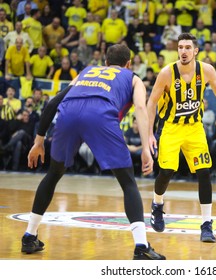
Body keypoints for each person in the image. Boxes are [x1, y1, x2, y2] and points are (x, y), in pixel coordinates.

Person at [21, 43, 166, 260]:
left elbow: (53, 103)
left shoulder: (86, 71)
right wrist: (146, 147)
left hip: (68, 112)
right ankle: (141, 246)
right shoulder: (133, 77)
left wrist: (39, 141)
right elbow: (141, 109)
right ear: (128, 64)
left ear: (106, 63)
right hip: (100, 112)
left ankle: (29, 236)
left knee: (53, 174)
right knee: (127, 182)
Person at [146, 33, 216, 242]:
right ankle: (157, 204)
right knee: (167, 171)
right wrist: (148, 133)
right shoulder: (166, 73)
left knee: (204, 172)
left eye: (187, 47)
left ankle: (207, 224)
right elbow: (151, 103)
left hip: (194, 128)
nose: (183, 51)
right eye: (180, 47)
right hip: (171, 128)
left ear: (195, 51)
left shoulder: (207, 71)